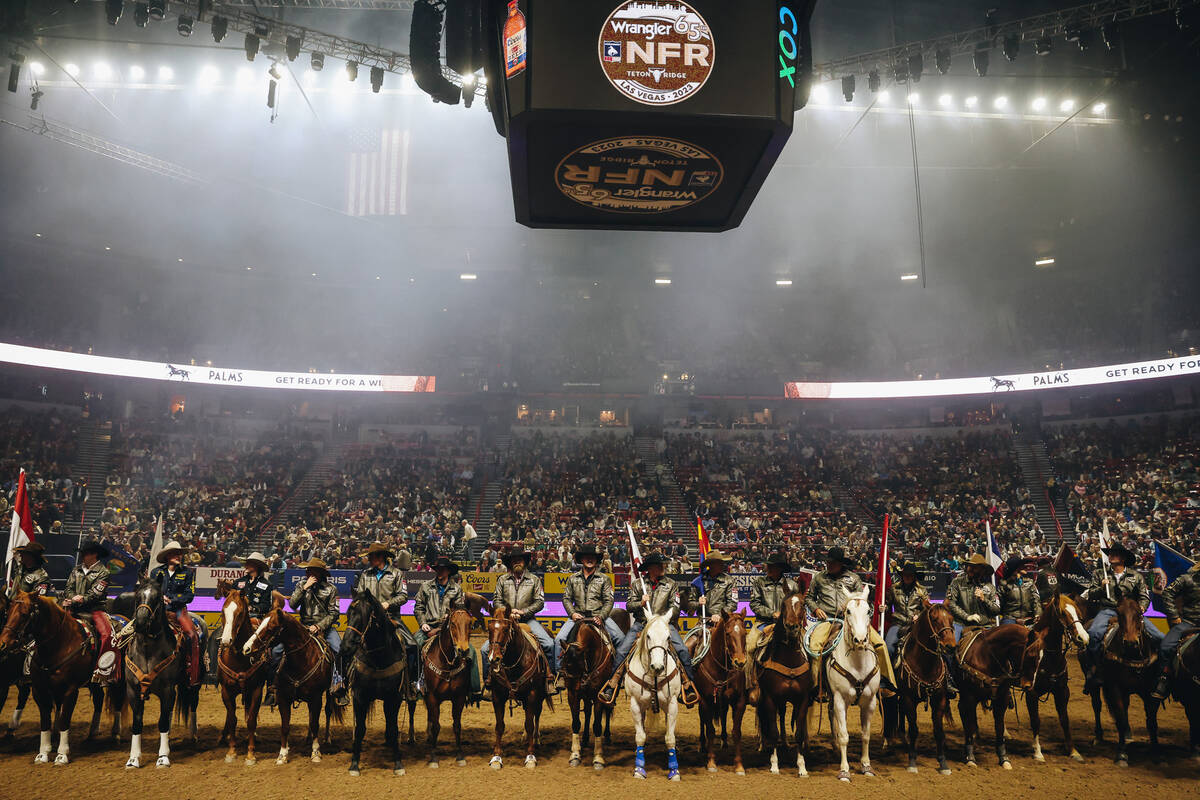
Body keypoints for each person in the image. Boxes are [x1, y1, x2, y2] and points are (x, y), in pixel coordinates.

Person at [604, 552, 697, 706]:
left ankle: (688, 685)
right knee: (622, 650)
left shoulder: (671, 584)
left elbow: (676, 606)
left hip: (664, 624)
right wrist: (640, 603)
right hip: (641, 623)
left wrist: (661, 619)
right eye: (660, 565)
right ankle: (613, 684)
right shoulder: (638, 584)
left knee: (682, 650)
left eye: (663, 565)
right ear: (651, 568)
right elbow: (628, 606)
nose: (663, 567)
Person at [806, 547, 896, 698]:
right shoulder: (819, 578)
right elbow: (809, 597)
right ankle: (817, 687)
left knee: (881, 644)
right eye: (828, 562)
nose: (829, 565)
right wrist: (815, 609)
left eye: (833, 563)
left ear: (841, 564)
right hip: (827, 620)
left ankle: (885, 683)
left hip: (853, 621)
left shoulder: (854, 579)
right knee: (815, 647)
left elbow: (863, 601)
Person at [1081, 542, 1163, 694]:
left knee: (1159, 636)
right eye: (1110, 553)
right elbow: (1090, 594)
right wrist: (1101, 587)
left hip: (1131, 613)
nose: (1111, 555)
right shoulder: (1100, 573)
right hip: (1108, 610)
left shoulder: (1136, 576)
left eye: (1115, 553)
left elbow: (1144, 596)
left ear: (1123, 558)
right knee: (1093, 634)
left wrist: (1142, 607)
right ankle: (1094, 670)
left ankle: (1160, 676)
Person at [484, 546, 555, 697]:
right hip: (505, 621)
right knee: (485, 649)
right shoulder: (502, 580)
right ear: (510, 563)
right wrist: (508, 612)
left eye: (520, 560)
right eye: (514, 560)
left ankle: (550, 679)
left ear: (525, 562)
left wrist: (523, 612)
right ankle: (489, 681)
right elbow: (496, 599)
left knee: (549, 644)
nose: (517, 562)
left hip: (528, 620)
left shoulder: (534, 580)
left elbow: (539, 602)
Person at [554, 543, 624, 691]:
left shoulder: (604, 579)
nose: (589, 560)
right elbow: (566, 598)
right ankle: (559, 674)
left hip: (598, 616)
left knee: (620, 638)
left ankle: (618, 674)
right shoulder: (573, 578)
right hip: (577, 617)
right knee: (557, 640)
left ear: (596, 560)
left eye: (592, 558)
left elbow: (609, 600)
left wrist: (602, 616)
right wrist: (572, 613)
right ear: (582, 560)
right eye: (586, 558)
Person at [352, 541, 418, 695]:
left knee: (412, 645)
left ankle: (412, 682)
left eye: (372, 556)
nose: (370, 559)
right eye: (369, 556)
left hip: (391, 618)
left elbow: (403, 596)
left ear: (381, 557)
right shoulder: (365, 574)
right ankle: (346, 681)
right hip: (368, 619)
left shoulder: (396, 574)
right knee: (348, 645)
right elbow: (360, 596)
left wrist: (388, 603)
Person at [413, 556, 478, 697]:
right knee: (414, 645)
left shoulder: (457, 589)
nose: (440, 571)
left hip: (450, 629)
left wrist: (444, 627)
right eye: (438, 569)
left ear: (448, 571)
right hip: (428, 626)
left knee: (470, 652)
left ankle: (473, 689)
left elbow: (460, 612)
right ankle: (416, 683)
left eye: (443, 569)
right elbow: (418, 607)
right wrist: (423, 623)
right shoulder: (425, 587)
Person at [744, 552, 801, 704]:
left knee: (805, 646)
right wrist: (771, 613)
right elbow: (754, 604)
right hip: (763, 622)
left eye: (772, 566)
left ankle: (807, 684)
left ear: (780, 568)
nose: (768, 568)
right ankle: (751, 684)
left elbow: (797, 605)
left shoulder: (792, 585)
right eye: (768, 565)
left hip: (787, 625)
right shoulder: (759, 582)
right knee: (749, 646)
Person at [289, 558, 347, 705]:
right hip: (302, 627)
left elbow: (334, 614)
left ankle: (339, 686)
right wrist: (304, 588)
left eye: (312, 571)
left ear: (320, 573)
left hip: (324, 628)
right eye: (308, 570)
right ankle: (275, 687)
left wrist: (319, 626)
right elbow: (292, 604)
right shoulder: (301, 585)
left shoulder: (331, 589)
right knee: (278, 650)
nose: (309, 573)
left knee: (339, 650)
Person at [61, 540, 117, 684]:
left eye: (85, 553)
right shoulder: (76, 570)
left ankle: (104, 669)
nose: (82, 556)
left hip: (95, 609)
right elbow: (68, 588)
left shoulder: (104, 572)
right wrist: (72, 598)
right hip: (74, 607)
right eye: (83, 553)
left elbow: (95, 595)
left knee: (107, 634)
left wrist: (80, 599)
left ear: (94, 555)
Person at [148, 540, 201, 686]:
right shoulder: (156, 572)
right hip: (158, 611)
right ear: (167, 556)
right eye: (175, 553)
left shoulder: (187, 572)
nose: (178, 556)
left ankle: (192, 671)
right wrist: (160, 598)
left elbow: (189, 596)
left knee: (192, 635)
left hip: (178, 611)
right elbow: (150, 591)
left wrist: (171, 600)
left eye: (179, 553)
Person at [1155, 560, 1199, 699]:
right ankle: (1164, 679)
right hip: (1189, 623)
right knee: (1166, 646)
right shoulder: (1187, 578)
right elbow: (1167, 593)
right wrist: (1174, 616)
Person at [945, 554, 1002, 639]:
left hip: (985, 625)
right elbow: (951, 603)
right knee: (952, 647)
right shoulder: (957, 582)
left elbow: (997, 610)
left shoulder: (990, 587)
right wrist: (967, 617)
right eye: (970, 566)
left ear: (982, 570)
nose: (971, 569)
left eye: (975, 567)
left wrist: (984, 599)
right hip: (961, 624)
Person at [232, 551, 275, 621]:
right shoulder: (238, 582)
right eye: (247, 563)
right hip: (236, 616)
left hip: (255, 617)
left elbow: (266, 606)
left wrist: (253, 608)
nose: (246, 565)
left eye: (250, 564)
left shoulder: (267, 585)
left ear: (257, 567)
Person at [999, 556, 1040, 625]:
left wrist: (1037, 614)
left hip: (1028, 616)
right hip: (1010, 617)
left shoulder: (1029, 583)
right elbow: (1000, 605)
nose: (1023, 570)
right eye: (1018, 569)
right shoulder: (1004, 585)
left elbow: (1036, 600)